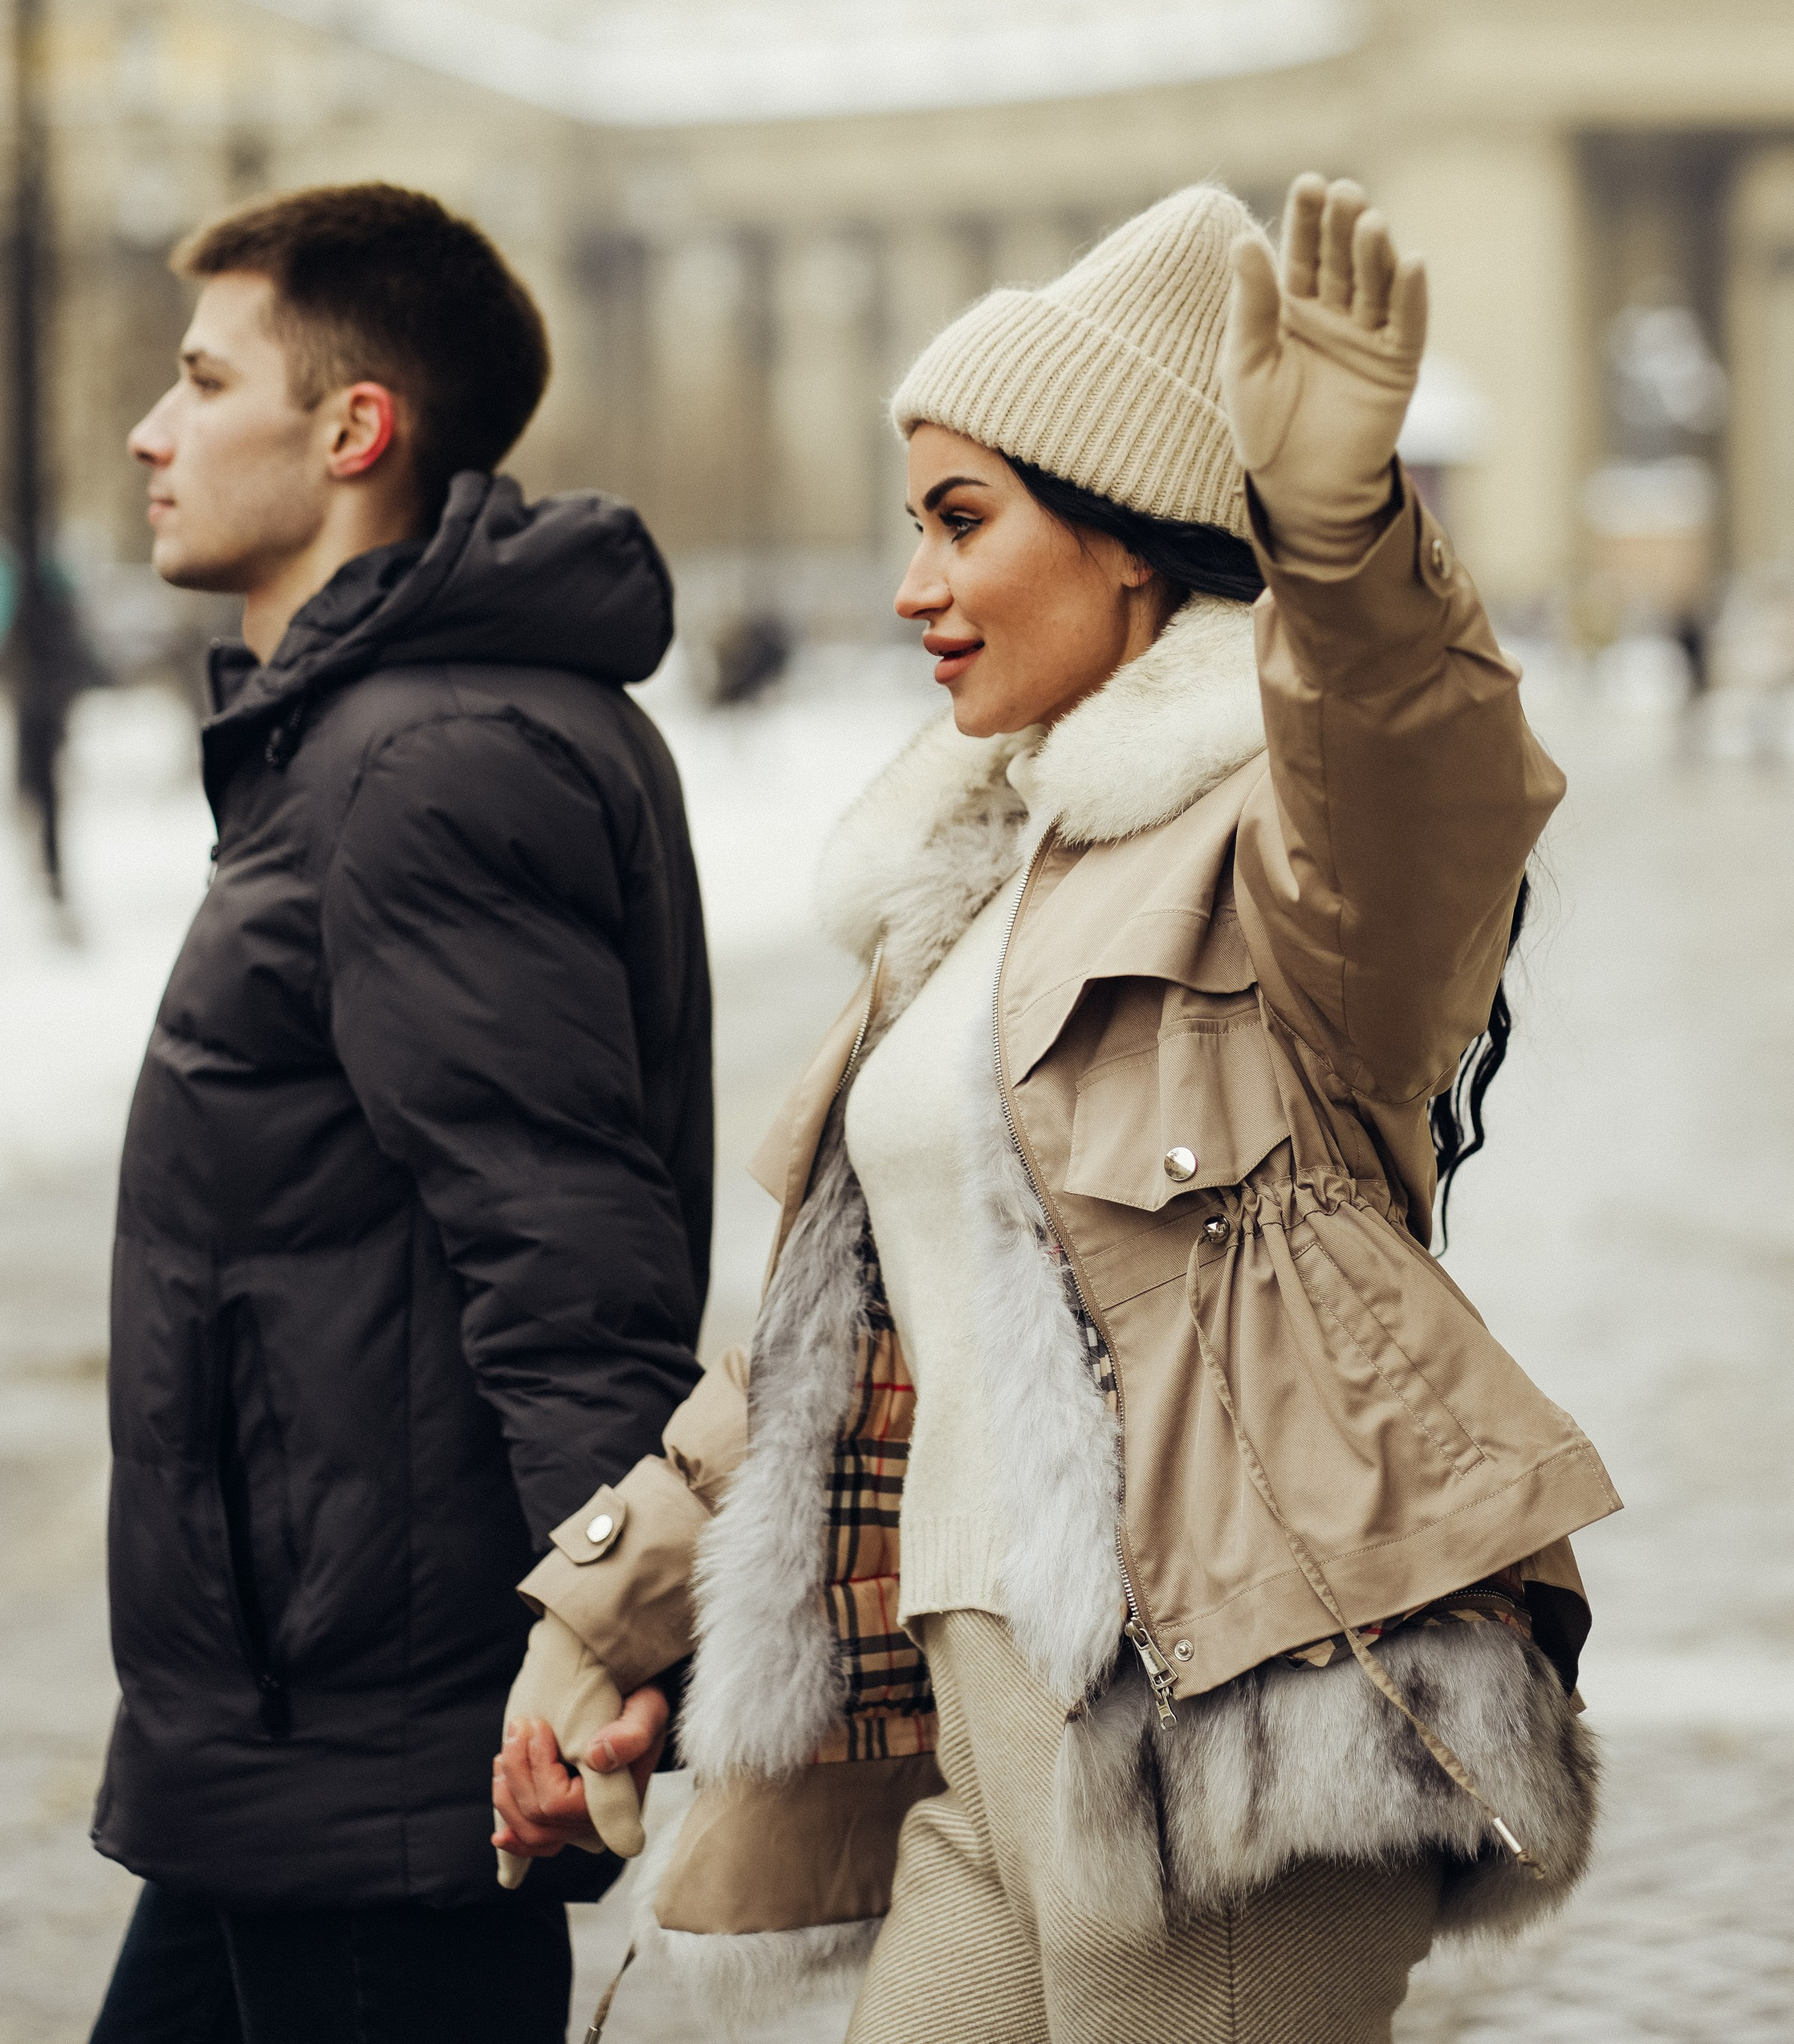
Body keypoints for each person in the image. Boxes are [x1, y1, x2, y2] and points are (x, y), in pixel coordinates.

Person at [492, 177, 1619, 2044]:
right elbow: (807, 1364)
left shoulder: (1283, 865)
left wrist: (1339, 535)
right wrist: (599, 1632)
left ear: (1127, 547)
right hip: (986, 1744)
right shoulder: (963, 897)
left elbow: (1424, 788)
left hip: (1231, 1747)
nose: (911, 586)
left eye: (959, 520)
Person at [89, 183, 714, 2044]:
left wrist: (595, 1654)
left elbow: (568, 1253)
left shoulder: (424, 761)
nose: (150, 426)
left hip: (374, 1742)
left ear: (354, 430)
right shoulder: (381, 732)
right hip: (291, 1728)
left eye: (204, 379)